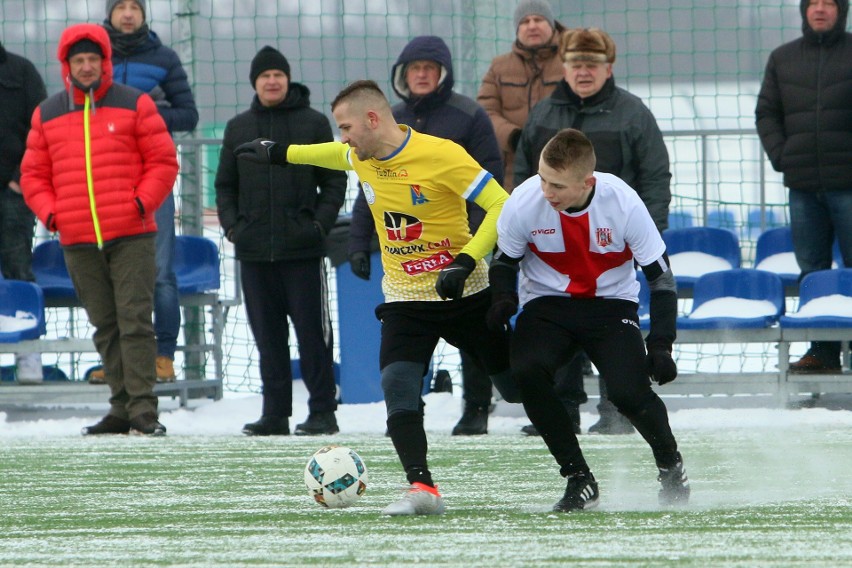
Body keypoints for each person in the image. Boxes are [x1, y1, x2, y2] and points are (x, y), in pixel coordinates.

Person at [234, 80, 517, 515]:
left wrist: (465, 260)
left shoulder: (441, 154)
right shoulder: (363, 157)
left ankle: (578, 471)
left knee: (517, 387)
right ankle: (422, 488)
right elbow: (330, 154)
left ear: (372, 119)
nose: (342, 137)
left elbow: (502, 204)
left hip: (464, 291)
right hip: (405, 296)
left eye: (346, 126)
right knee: (397, 383)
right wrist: (281, 153)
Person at [487, 128, 689, 510]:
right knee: (527, 372)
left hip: (610, 305)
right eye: (543, 178)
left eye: (558, 185)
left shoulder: (625, 203)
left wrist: (661, 344)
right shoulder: (524, 200)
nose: (546, 191)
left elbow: (660, 278)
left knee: (629, 394)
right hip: (548, 304)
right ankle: (578, 478)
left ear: (587, 182)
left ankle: (670, 465)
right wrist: (503, 297)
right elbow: (504, 261)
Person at [21, 23, 178, 435]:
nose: (87, 66)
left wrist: (141, 204)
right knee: (105, 324)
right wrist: (53, 215)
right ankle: (120, 407)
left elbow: (163, 162)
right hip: (76, 238)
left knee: (135, 321)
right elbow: (33, 174)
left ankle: (143, 409)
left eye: (93, 59)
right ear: (67, 65)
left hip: (132, 234)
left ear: (104, 61)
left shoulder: (136, 103)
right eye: (79, 60)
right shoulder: (48, 112)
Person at [514, 27, 672, 436]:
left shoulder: (633, 112)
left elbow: (655, 175)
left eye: (592, 65)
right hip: (557, 238)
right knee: (557, 311)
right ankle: (563, 408)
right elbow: (523, 172)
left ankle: (615, 410)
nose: (583, 72)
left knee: (611, 313)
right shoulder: (544, 114)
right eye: (575, 64)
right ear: (563, 68)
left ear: (608, 68)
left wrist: (647, 232)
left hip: (614, 243)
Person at [347, 35, 504, 436]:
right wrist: (358, 241)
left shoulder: (468, 115)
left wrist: (470, 244)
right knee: (410, 338)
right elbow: (369, 190)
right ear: (402, 75)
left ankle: (476, 408)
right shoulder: (384, 119)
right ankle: (406, 408)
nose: (421, 74)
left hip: (460, 247)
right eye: (414, 68)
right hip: (406, 256)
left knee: (473, 338)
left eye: (429, 68)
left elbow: (488, 176)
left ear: (442, 75)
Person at [215, 46, 347, 436]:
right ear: (255, 83)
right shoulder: (238, 128)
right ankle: (275, 414)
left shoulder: (314, 123)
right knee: (268, 338)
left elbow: (335, 180)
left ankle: (323, 411)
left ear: (288, 79)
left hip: (303, 253)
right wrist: (234, 228)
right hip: (254, 253)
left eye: (278, 74)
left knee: (314, 337)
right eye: (264, 76)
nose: (272, 81)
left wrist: (318, 225)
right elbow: (225, 186)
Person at [83, 0, 199, 384]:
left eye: (136, 6)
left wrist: (140, 115)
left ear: (144, 14)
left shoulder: (164, 58)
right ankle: (117, 359)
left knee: (161, 271)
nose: (128, 13)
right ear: (110, 13)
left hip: (154, 178)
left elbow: (187, 114)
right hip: (101, 178)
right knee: (108, 272)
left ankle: (162, 356)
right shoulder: (92, 59)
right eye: (121, 6)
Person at [756, 0, 852, 374]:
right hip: (803, 186)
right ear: (804, 10)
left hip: (849, 185)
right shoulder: (782, 58)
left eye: (829, 2)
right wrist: (783, 155)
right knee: (812, 271)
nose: (821, 9)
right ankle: (823, 351)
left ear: (841, 10)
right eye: (814, 2)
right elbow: (766, 112)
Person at [477, 0, 565, 192]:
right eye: (525, 21)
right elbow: (486, 112)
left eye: (538, 19)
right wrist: (515, 137)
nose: (532, 26)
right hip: (513, 166)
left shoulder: (570, 63)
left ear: (551, 25)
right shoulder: (498, 67)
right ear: (517, 29)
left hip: (563, 163)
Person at [0, 40, 47, 384]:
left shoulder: (22, 71)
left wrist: (21, 178)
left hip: (13, 195)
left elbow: (43, 129)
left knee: (18, 268)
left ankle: (28, 353)